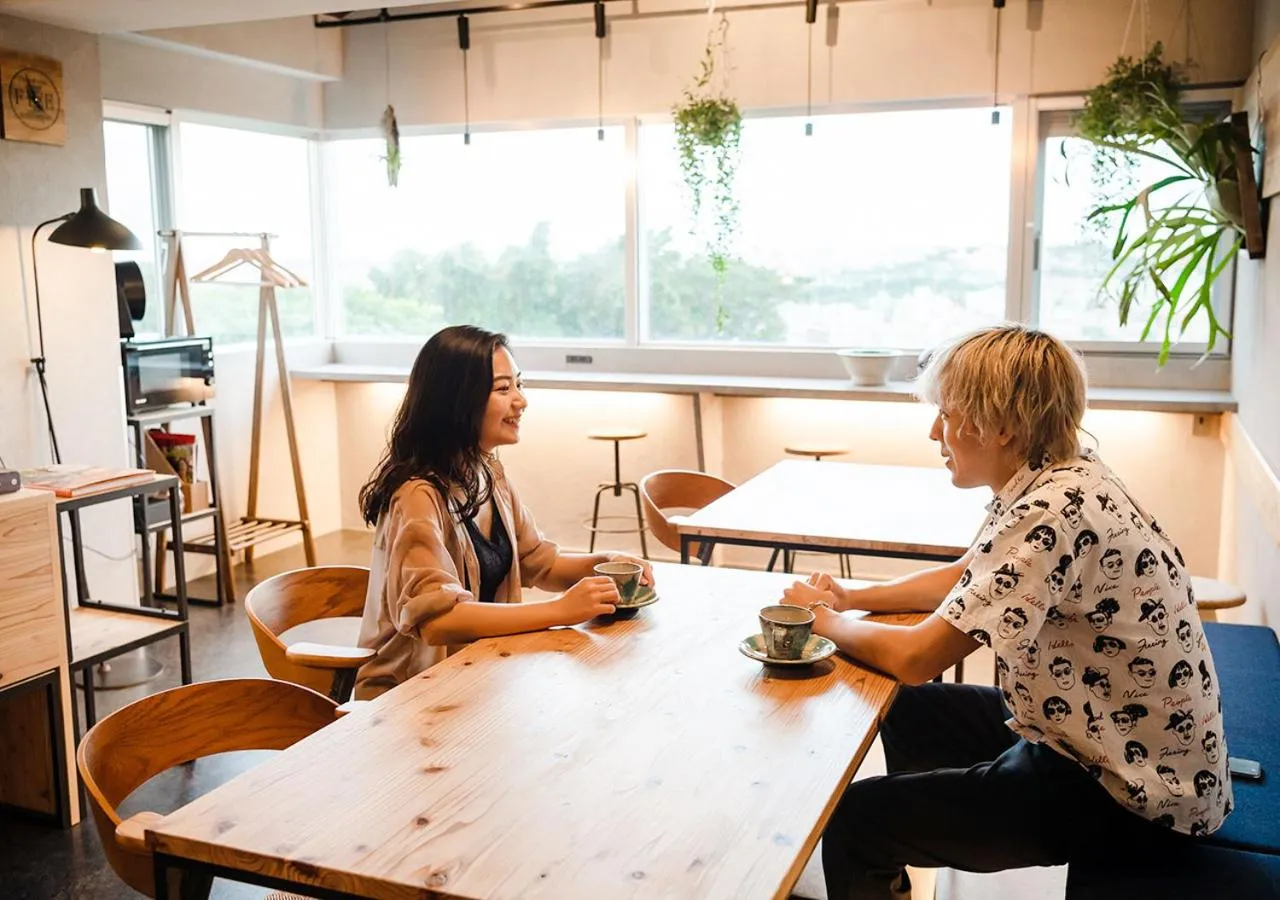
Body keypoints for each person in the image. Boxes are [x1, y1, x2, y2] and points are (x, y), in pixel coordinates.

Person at [781, 325, 1230, 900]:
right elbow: (964, 574)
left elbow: (918, 656)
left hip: (1129, 793)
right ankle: (909, 849)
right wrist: (851, 597)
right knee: (903, 711)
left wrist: (820, 623)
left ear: (1003, 427)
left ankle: (889, 846)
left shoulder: (1049, 512)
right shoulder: (1062, 476)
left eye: (946, 413)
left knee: (859, 820)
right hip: (1096, 736)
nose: (933, 432)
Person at [355, 324, 651, 698]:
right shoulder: (416, 495)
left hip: (481, 676)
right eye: (503, 388)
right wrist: (560, 611)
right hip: (411, 695)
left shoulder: (486, 471)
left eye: (519, 384)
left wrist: (604, 562)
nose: (520, 400)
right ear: (457, 401)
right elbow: (436, 620)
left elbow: (539, 562)